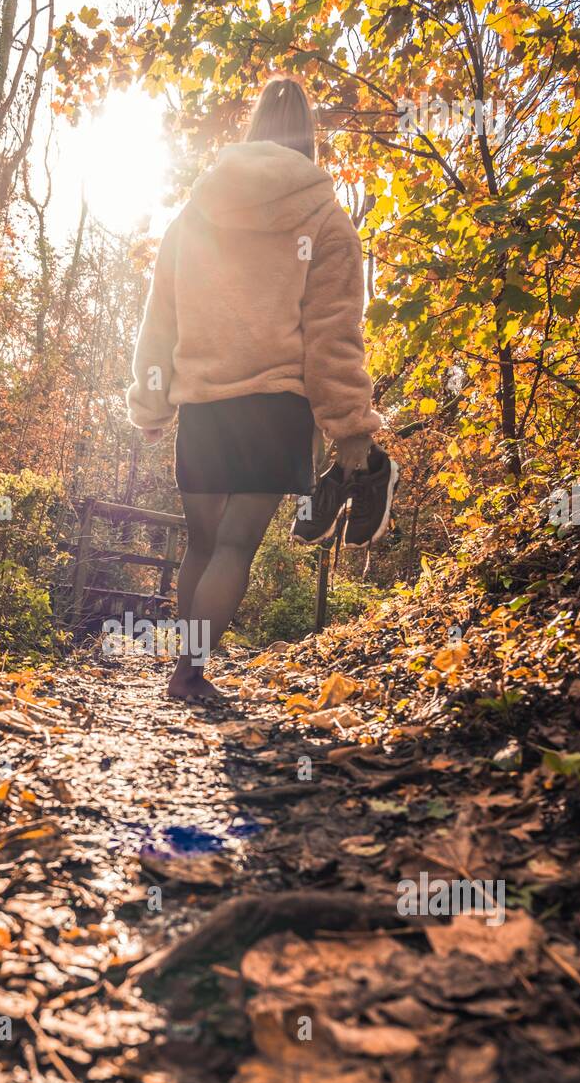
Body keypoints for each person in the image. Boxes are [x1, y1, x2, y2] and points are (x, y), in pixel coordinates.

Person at [126, 76, 398, 699]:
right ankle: (189, 674)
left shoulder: (196, 211)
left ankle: (183, 670)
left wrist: (151, 400)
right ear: (309, 135)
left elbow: (159, 315)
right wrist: (350, 426)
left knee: (201, 543)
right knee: (234, 546)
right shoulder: (324, 218)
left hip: (202, 403)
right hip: (274, 409)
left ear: (251, 128)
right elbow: (333, 337)